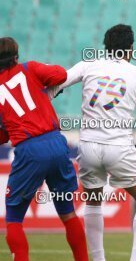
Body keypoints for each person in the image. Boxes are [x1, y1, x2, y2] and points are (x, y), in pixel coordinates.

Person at [51, 24, 136, 261]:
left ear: (106, 47)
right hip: (119, 147)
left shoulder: (87, 65)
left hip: (88, 147)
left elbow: (55, 86)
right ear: (131, 48)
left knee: (92, 200)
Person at [0, 37, 88, 261]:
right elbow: (61, 75)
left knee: (14, 218)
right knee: (68, 212)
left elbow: (3, 134)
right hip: (56, 142)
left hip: (29, 149)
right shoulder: (30, 68)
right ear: (16, 56)